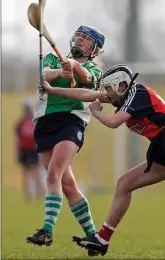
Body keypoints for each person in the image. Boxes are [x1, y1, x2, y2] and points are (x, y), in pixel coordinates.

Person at [41, 64, 165, 256]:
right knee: (125, 183)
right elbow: (85, 94)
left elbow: (113, 123)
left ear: (122, 85)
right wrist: (52, 90)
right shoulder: (123, 94)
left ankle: (101, 239)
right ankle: (101, 240)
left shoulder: (137, 92)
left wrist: (95, 112)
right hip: (161, 145)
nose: (107, 94)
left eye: (110, 89)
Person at [26, 25, 105, 257]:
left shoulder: (94, 67)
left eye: (86, 39)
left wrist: (76, 67)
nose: (80, 40)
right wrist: (62, 71)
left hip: (72, 121)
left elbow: (89, 80)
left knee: (53, 173)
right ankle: (94, 238)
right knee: (68, 186)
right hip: (44, 122)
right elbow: (43, 75)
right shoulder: (53, 57)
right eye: (78, 36)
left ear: (95, 49)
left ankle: (47, 230)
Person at [15, 99, 46, 202]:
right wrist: (17, 152)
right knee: (26, 173)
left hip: (34, 150)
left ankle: (40, 194)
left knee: (37, 172)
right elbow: (17, 140)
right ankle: (28, 196)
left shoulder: (36, 121)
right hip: (24, 150)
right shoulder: (20, 123)